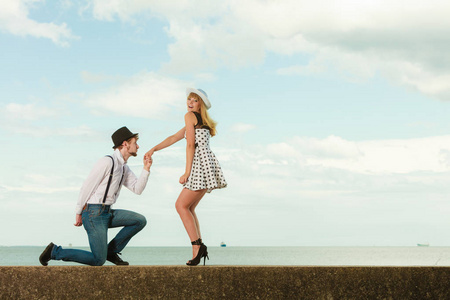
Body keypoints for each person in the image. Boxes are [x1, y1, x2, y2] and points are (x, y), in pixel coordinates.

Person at [39, 126, 153, 266]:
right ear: (125, 144)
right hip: (94, 213)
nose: (138, 146)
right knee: (98, 260)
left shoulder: (124, 167)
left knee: (139, 220)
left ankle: (111, 252)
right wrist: (78, 212)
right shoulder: (107, 162)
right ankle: (55, 252)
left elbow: (137, 189)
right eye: (135, 143)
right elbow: (87, 187)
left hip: (107, 212)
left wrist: (146, 169)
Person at [145, 88, 227, 266]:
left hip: (199, 164)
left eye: (195, 100)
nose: (190, 102)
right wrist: (154, 149)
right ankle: (198, 248)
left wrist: (187, 172)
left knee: (180, 205)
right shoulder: (199, 120)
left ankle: (197, 247)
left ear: (201, 104)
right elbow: (174, 137)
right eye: (189, 99)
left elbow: (190, 144)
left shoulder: (190, 117)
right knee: (188, 208)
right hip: (208, 164)